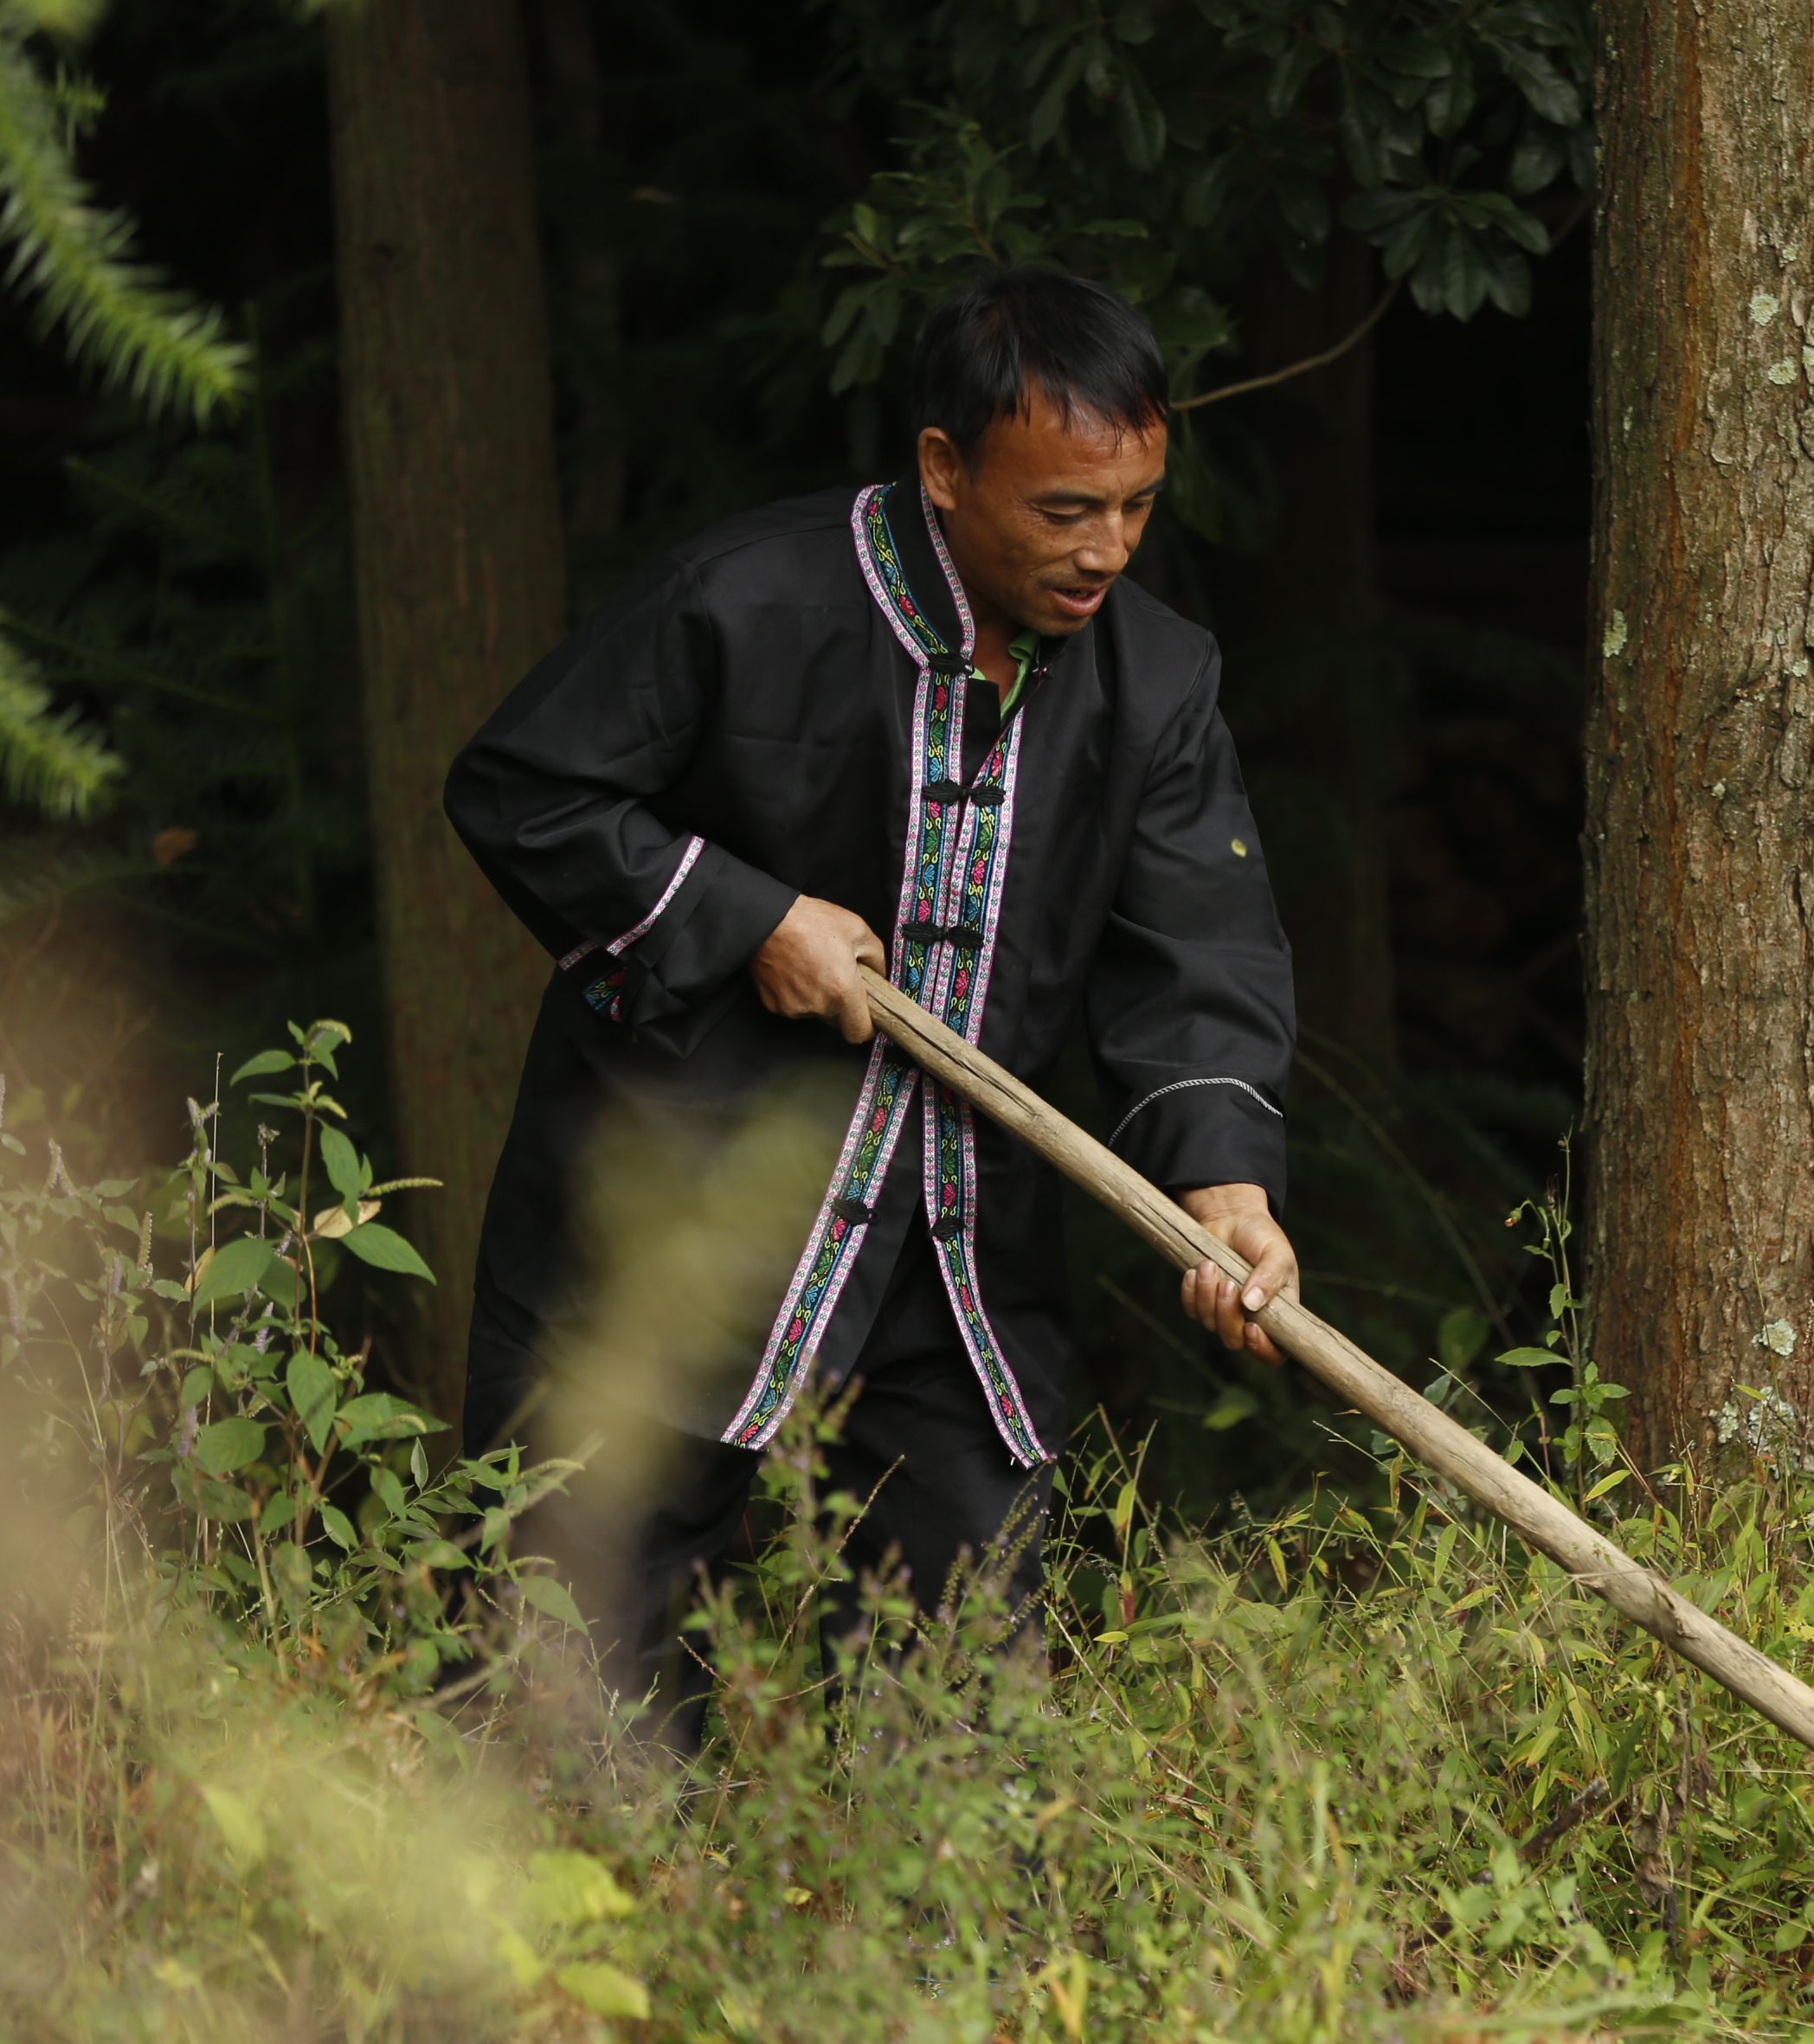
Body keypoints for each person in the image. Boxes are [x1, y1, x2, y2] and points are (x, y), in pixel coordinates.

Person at [445, 266, 1298, 1739]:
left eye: (1137, 506)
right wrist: (749, 917)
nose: (1107, 549)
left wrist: (1224, 1189)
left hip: (950, 1266)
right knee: (573, 1688)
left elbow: (1195, 951)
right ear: (945, 468)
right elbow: (526, 792)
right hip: (681, 1220)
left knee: (960, 1726)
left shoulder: (1157, 684)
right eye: (1065, 510)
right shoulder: (746, 602)